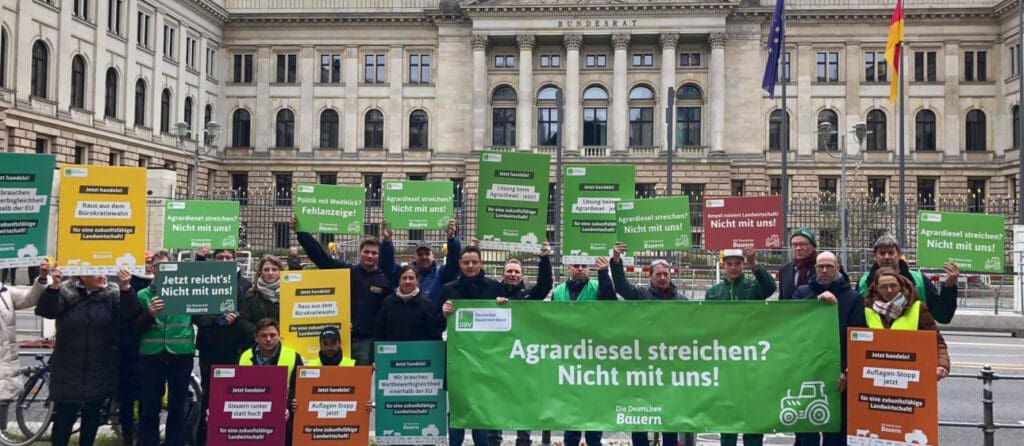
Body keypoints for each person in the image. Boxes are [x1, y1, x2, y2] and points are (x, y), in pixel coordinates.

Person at [35, 266, 140, 446]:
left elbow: (130, 315)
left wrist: (126, 288)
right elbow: (46, 311)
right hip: (68, 369)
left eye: (104, 271)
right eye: (96, 272)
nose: (103, 276)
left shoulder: (112, 295)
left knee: (91, 422)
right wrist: (53, 287)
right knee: (63, 421)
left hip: (99, 368)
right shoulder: (66, 293)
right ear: (83, 275)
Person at [792, 251, 867, 446]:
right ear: (815, 269)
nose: (824, 271)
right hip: (807, 371)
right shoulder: (802, 293)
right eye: (820, 267)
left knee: (837, 431)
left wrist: (848, 370)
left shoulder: (853, 298)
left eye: (829, 266)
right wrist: (814, 304)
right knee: (806, 430)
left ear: (837, 268)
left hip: (838, 375)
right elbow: (792, 326)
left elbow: (858, 338)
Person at [293, 217, 392, 365]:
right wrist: (302, 233)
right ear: (360, 252)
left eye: (374, 253)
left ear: (378, 255)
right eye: (367, 252)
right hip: (339, 341)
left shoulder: (384, 281)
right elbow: (322, 258)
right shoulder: (348, 272)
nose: (370, 256)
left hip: (366, 342)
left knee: (361, 382)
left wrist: (388, 242)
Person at [441, 246, 505, 446]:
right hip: (458, 358)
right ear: (460, 264)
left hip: (486, 359)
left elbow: (505, 323)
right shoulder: (448, 289)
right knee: (458, 408)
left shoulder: (495, 288)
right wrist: (443, 313)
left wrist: (503, 305)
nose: (470, 266)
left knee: (481, 408)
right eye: (466, 262)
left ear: (481, 263)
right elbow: (436, 322)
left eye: (474, 262)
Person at [492, 242, 553, 446]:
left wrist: (544, 259)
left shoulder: (528, 295)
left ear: (522, 275)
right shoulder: (492, 294)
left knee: (523, 402)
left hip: (522, 359)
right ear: (503, 273)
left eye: (516, 271)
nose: (512, 274)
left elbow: (544, 285)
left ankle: (523, 440)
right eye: (509, 271)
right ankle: (494, 439)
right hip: (498, 359)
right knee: (496, 402)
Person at [134, 251, 195, 446]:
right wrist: (150, 314)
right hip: (152, 357)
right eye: (158, 267)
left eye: (167, 267)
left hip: (181, 356)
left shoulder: (187, 293)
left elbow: (202, 316)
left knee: (178, 407)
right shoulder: (142, 295)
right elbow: (134, 328)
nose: (163, 271)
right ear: (152, 269)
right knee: (149, 408)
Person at [193, 248, 252, 446]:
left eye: (228, 257)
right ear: (214, 260)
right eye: (220, 257)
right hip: (209, 346)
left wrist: (237, 318)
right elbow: (194, 310)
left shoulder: (245, 284)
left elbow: (247, 315)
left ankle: (230, 437)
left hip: (233, 348)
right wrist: (211, 320)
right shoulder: (205, 280)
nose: (225, 260)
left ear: (235, 260)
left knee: (232, 394)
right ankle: (204, 438)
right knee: (208, 394)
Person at [864, 267, 951, 378]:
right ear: (877, 288)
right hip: (878, 376)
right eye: (884, 287)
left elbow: (936, 341)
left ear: (900, 285)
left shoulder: (918, 308)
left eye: (893, 285)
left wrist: (942, 365)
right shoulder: (867, 310)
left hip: (911, 374)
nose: (889, 290)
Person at [857, 234, 959, 324]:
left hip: (912, 343)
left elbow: (943, 317)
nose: (886, 257)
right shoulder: (863, 283)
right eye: (882, 253)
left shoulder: (920, 281)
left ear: (900, 255)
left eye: (891, 252)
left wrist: (949, 287)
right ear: (875, 256)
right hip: (875, 343)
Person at [238, 318, 303, 446]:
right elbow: (238, 389)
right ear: (256, 338)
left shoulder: (293, 356)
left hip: (284, 415)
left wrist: (289, 409)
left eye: (272, 335)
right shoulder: (244, 357)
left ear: (279, 337)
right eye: (263, 335)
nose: (268, 339)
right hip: (252, 414)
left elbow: (298, 387)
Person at [0, 260, 50, 425]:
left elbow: (29, 298)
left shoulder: (4, 292)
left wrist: (42, 278)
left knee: (1, 425)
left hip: (3, 371)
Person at [380, 218, 461, 309]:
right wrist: (387, 242)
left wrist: (452, 239)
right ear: (415, 257)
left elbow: (454, 264)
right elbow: (387, 268)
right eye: (420, 254)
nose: (424, 257)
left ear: (433, 256)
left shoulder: (441, 274)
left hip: (431, 321)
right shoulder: (405, 273)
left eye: (427, 253)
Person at [376, 266, 445, 342]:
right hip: (393, 351)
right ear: (399, 280)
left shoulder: (426, 304)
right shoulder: (388, 302)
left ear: (417, 281)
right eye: (404, 278)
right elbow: (379, 330)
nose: (407, 281)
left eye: (411, 278)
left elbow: (433, 332)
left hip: (419, 351)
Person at [610, 242, 686, 301]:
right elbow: (622, 287)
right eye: (658, 274)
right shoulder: (641, 295)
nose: (663, 277)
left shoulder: (681, 300)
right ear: (650, 276)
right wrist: (616, 261)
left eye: (666, 274)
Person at [238, 255, 284, 341]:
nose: (270, 273)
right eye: (266, 269)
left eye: (274, 269)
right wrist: (260, 334)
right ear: (260, 272)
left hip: (285, 342)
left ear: (281, 272)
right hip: (257, 344)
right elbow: (242, 320)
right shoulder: (251, 294)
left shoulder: (290, 293)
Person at [779, 228, 818, 300]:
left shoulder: (824, 268)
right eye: (794, 245)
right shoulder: (784, 270)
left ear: (813, 246)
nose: (798, 248)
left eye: (803, 244)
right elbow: (781, 300)